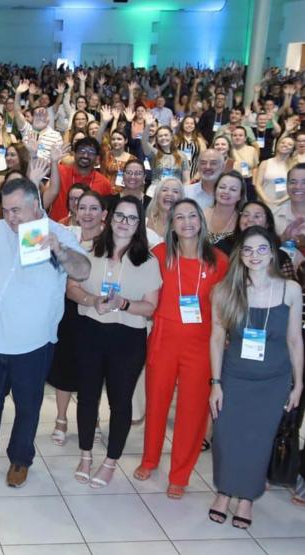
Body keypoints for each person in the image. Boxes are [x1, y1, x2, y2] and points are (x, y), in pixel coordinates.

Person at [0, 177, 90, 486]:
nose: (11, 217)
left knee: (27, 405)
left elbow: (83, 270)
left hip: (33, 341)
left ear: (35, 205)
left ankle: (20, 459)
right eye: (6, 210)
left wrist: (60, 251)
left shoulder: (58, 233)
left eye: (17, 210)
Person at [208, 226, 303, 528]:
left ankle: (246, 498)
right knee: (226, 438)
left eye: (262, 248)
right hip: (234, 377)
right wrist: (216, 383)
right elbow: (216, 338)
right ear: (240, 255)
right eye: (248, 249)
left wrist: (298, 384)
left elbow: (294, 341)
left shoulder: (290, 289)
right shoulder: (226, 290)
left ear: (273, 252)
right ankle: (224, 492)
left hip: (273, 380)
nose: (255, 255)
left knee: (258, 442)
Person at [134, 199, 229, 499]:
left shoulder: (218, 261)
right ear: (170, 224)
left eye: (192, 216)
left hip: (201, 345)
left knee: (192, 411)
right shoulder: (160, 254)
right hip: (163, 339)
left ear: (201, 221)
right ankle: (149, 459)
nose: (186, 222)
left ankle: (180, 474)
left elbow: (225, 309)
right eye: (179, 217)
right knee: (157, 402)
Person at [66, 197, 162, 488]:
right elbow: (72, 288)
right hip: (90, 332)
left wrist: (123, 304)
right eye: (121, 215)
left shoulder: (148, 261)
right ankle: (85, 455)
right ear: (111, 217)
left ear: (139, 224)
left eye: (132, 218)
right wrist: (91, 300)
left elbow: (150, 308)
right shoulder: (90, 250)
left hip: (127, 339)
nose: (124, 222)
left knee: (120, 402)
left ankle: (110, 462)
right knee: (87, 396)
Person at [48, 190, 107, 447]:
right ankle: (60, 419)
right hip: (67, 311)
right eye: (82, 208)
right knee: (64, 365)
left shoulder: (111, 241)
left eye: (94, 208)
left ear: (103, 214)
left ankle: (91, 419)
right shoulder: (66, 237)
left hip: (97, 311)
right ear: (74, 210)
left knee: (92, 368)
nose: (87, 213)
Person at [48, 137, 113, 222]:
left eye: (91, 152)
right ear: (74, 154)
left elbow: (105, 214)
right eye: (81, 151)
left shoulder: (105, 183)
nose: (85, 155)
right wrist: (33, 155)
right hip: (57, 228)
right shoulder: (59, 171)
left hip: (88, 232)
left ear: (97, 158)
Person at [204, 171, 246, 244]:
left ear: (240, 196)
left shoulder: (243, 222)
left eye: (233, 189)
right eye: (222, 187)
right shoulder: (201, 216)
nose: (226, 191)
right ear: (215, 190)